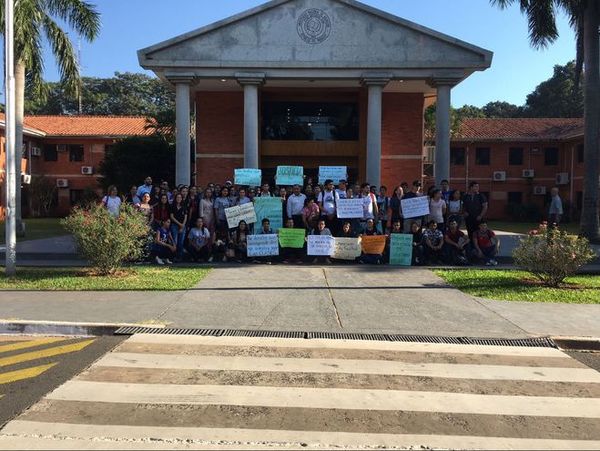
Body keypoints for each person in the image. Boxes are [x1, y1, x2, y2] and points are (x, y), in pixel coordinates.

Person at [169, 193, 188, 261]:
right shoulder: (172, 206)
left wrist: (182, 225)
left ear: (182, 199)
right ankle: (174, 256)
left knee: (181, 242)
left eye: (180, 197)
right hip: (174, 225)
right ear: (175, 198)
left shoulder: (184, 206)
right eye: (177, 197)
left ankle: (180, 257)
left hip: (183, 226)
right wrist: (180, 224)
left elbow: (186, 217)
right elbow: (172, 217)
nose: (179, 199)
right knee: (175, 241)